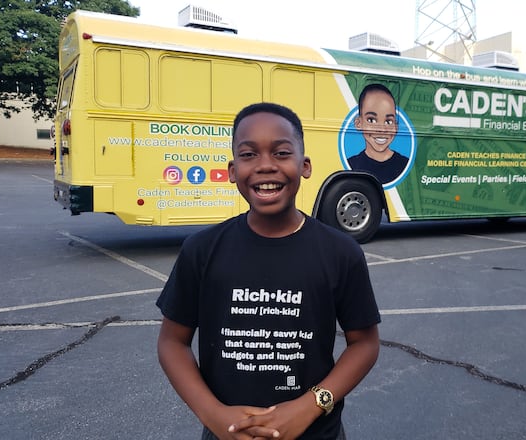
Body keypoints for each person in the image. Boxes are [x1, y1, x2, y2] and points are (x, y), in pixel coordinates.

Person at [156, 102, 381, 440]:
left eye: (281, 153)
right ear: (232, 171)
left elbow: (364, 344)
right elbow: (172, 343)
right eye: (248, 155)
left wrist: (309, 406)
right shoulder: (201, 250)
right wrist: (214, 415)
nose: (265, 166)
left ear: (304, 166)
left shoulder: (340, 252)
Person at [347, 84, 409, 185]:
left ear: (396, 127)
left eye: (388, 121)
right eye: (371, 120)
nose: (382, 130)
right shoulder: (352, 164)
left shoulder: (404, 164)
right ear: (358, 123)